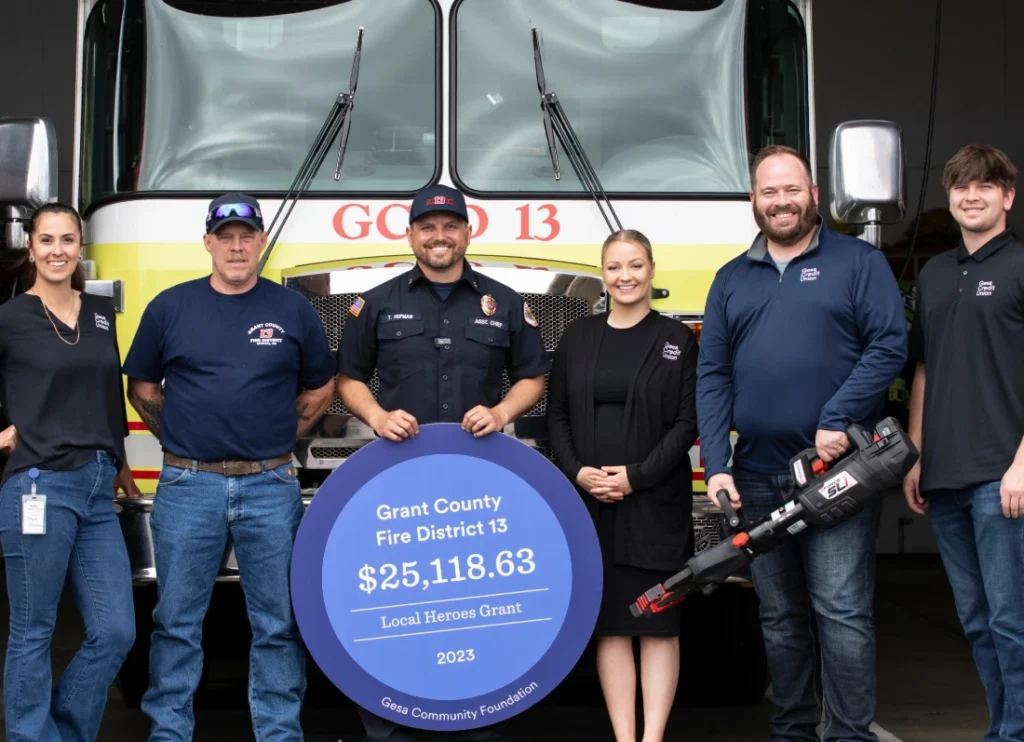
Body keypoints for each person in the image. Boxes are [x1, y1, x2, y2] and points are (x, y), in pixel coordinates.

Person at [696, 145, 906, 742]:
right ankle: (791, 729)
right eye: (769, 192)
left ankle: (847, 734)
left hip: (837, 470)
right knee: (781, 618)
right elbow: (712, 374)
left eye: (792, 190)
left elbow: (889, 344)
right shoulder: (732, 278)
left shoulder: (858, 262)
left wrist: (838, 414)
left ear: (813, 195)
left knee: (841, 614)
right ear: (754, 201)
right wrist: (717, 464)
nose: (781, 202)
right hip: (758, 475)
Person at [336, 183, 549, 742]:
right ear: (410, 235)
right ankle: (390, 724)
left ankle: (478, 719)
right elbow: (348, 378)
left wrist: (502, 411)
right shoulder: (376, 303)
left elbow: (533, 376)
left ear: (466, 232)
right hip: (396, 486)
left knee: (477, 606)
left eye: (450, 225)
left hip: (482, 488)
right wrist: (379, 418)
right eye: (427, 227)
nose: (439, 236)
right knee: (398, 606)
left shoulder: (503, 302)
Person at [122, 192, 337, 741]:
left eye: (246, 236)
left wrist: (280, 438)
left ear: (262, 242)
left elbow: (320, 387)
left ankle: (279, 733)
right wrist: (177, 436)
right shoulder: (170, 306)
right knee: (176, 624)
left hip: (271, 484)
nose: (236, 247)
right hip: (187, 485)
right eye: (226, 236)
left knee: (278, 624)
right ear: (208, 243)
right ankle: (168, 734)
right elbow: (142, 386)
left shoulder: (292, 310)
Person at [547, 229, 698, 742]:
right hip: (593, 507)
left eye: (635, 266)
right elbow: (558, 416)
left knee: (657, 626)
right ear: (602, 274)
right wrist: (579, 473)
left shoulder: (677, 340)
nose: (625, 277)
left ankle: (652, 737)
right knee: (611, 626)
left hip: (656, 505)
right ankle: (624, 737)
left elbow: (686, 423)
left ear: (652, 270)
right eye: (614, 267)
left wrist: (636, 477)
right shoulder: (578, 338)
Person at [0, 203, 139, 742]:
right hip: (40, 485)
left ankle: (62, 733)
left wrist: (122, 461)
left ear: (82, 246)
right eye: (46, 240)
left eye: (68, 239)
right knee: (33, 632)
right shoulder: (9, 319)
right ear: (31, 247)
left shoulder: (101, 312)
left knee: (116, 631)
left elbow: (108, 393)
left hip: (99, 487)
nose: (58, 250)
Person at [903, 144, 1024, 742]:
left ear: (1007, 196)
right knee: (977, 622)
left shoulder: (1022, 266)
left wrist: (1023, 464)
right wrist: (916, 453)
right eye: (960, 187)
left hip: (1003, 477)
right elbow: (922, 370)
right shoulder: (935, 273)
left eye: (984, 186)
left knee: (1012, 621)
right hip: (944, 477)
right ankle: (1002, 728)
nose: (970, 195)